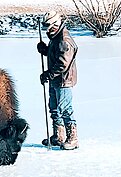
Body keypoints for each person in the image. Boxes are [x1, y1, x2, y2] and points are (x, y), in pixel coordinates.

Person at [37, 10, 79, 150]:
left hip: (64, 80)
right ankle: (59, 135)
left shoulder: (64, 40)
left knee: (65, 109)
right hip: (56, 79)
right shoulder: (55, 37)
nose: (47, 31)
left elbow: (62, 63)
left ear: (55, 24)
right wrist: (45, 50)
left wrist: (48, 74)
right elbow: (55, 54)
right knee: (54, 108)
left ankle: (72, 138)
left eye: (49, 27)